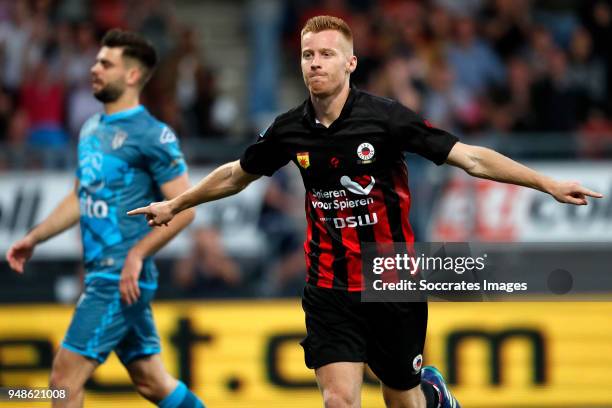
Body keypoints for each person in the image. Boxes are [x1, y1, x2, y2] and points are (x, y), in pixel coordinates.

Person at [128, 16, 603, 408]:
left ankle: (431, 393)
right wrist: (176, 203)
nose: (315, 63)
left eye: (326, 54)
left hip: (390, 278)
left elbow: (471, 157)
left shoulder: (386, 118)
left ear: (350, 62)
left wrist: (547, 183)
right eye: (307, 55)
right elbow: (237, 174)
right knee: (339, 402)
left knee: (402, 398)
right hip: (328, 283)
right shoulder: (289, 129)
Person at [5, 29, 205, 408]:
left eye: (105, 63)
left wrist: (138, 255)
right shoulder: (92, 128)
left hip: (120, 276)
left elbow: (185, 208)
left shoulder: (152, 135)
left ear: (131, 76)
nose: (94, 68)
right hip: (104, 272)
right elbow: (81, 196)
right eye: (97, 60)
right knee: (151, 382)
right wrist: (35, 237)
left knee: (62, 380)